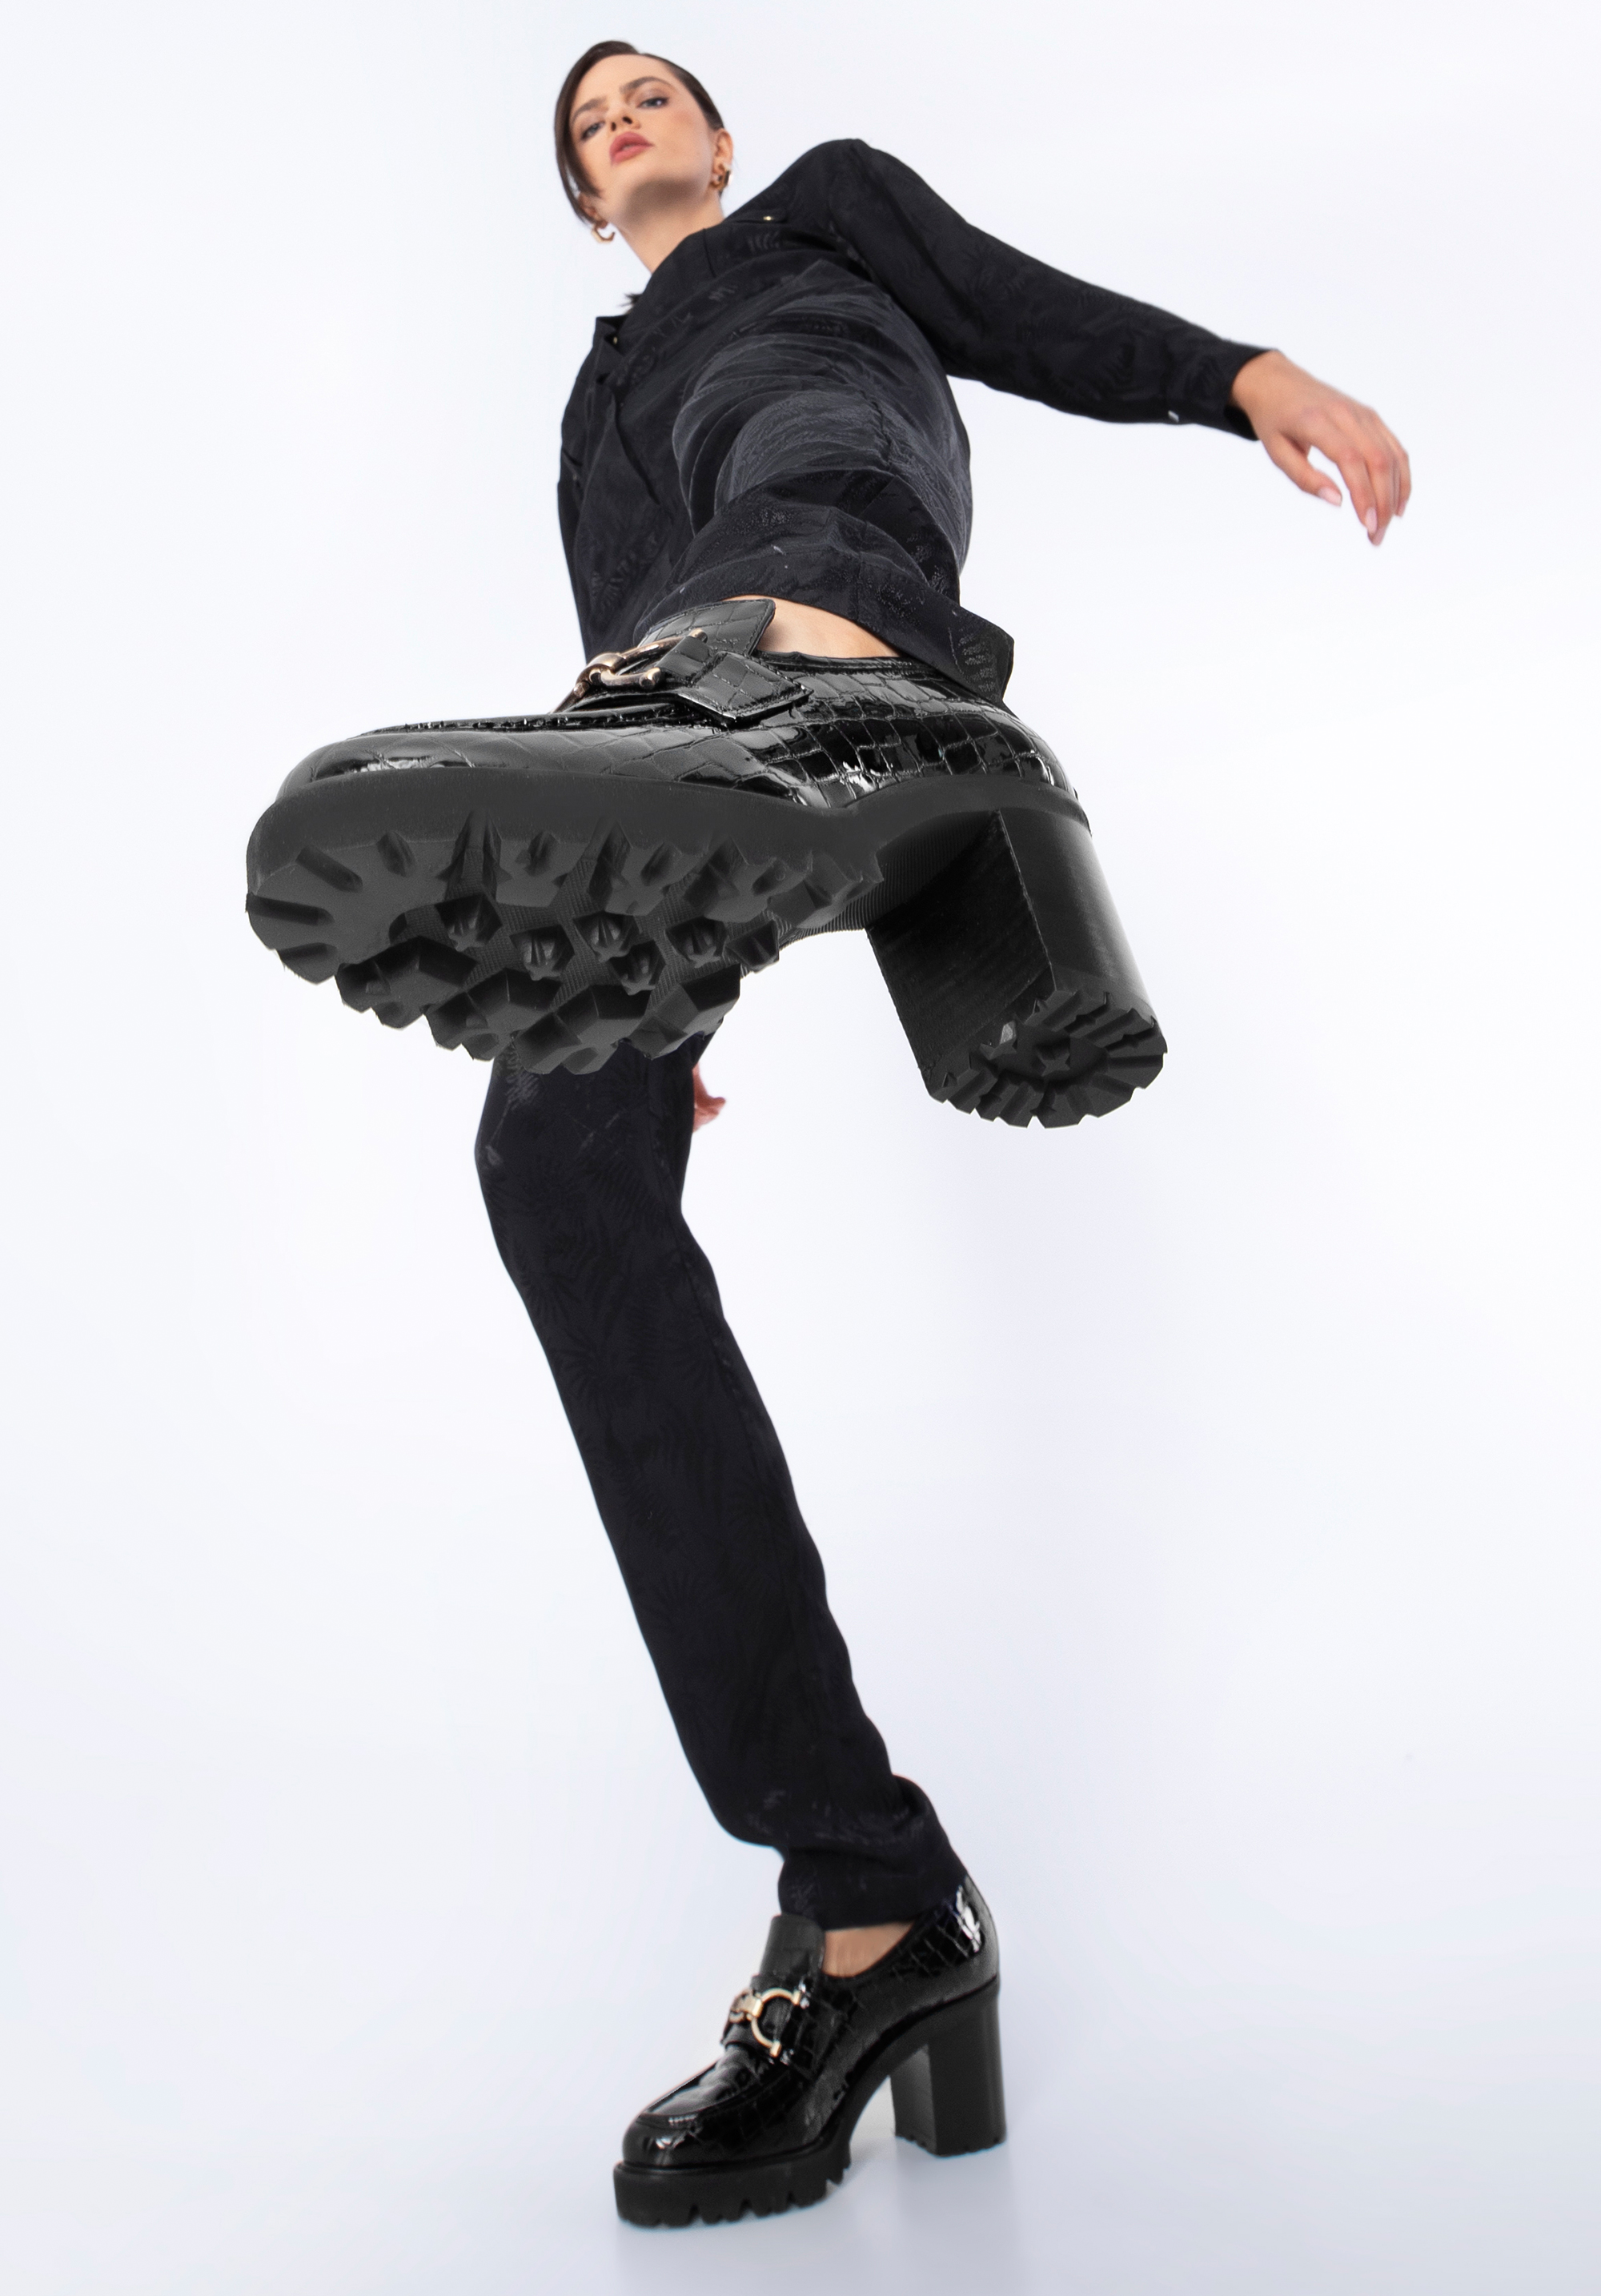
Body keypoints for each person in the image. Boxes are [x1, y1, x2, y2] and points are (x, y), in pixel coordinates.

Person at [243, 40, 1410, 2229]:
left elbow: (1016, 309)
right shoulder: (591, 407)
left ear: (716, 139)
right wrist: (638, 971)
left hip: (817, 588)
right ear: (578, 200)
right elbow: (611, 645)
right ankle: (873, 1899)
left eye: (646, 94)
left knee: (789, 417)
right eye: (584, 123)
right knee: (549, 1177)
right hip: (696, 752)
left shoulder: (824, 216)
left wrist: (1246, 376)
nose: (617, 120)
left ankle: (867, 687)